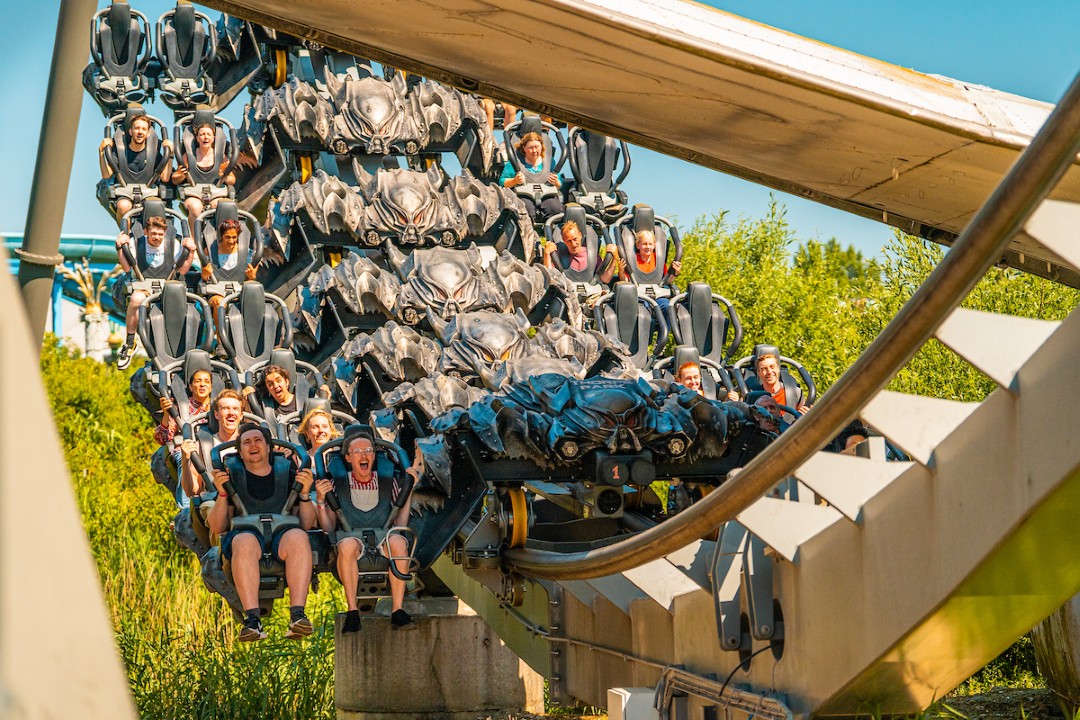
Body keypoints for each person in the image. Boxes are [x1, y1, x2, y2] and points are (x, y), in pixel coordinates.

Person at [208, 423, 316, 642]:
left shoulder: (287, 473)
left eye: (258, 440)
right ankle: (252, 620)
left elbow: (306, 523)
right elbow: (217, 526)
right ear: (240, 452)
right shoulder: (231, 475)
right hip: (246, 534)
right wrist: (222, 493)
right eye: (246, 442)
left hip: (283, 534)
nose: (253, 445)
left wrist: (305, 494)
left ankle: (298, 615)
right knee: (244, 541)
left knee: (299, 536)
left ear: (269, 447)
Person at [313, 430, 422, 633]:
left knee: (399, 542)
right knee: (346, 545)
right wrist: (320, 500)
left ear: (374, 456)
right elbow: (328, 528)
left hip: (384, 536)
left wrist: (408, 491)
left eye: (368, 450)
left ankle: (398, 609)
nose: (364, 455)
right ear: (348, 458)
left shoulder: (387, 482)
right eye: (357, 451)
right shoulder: (338, 483)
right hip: (351, 537)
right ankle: (352, 611)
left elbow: (400, 522)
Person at [114, 216, 196, 369]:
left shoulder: (172, 244)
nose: (157, 237)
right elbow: (126, 268)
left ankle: (184, 348)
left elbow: (183, 270)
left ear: (165, 233)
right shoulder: (137, 243)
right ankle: (130, 343)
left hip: (167, 289)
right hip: (144, 287)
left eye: (160, 234)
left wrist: (191, 252)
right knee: (136, 299)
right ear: (146, 232)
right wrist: (119, 248)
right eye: (153, 234)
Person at [98, 114, 173, 224]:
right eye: (137, 128)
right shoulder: (120, 152)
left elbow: (165, 178)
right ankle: (125, 233)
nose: (140, 132)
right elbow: (106, 175)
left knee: (155, 207)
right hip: (125, 191)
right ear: (131, 131)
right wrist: (101, 153)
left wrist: (170, 154)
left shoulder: (153, 153)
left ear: (148, 133)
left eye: (143, 129)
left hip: (148, 192)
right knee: (123, 206)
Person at [155, 369, 213, 507]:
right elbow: (163, 438)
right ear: (191, 387)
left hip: (212, 446)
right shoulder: (181, 408)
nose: (202, 384)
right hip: (189, 448)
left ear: (211, 387)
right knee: (188, 457)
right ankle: (186, 509)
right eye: (198, 381)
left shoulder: (220, 406)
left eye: (206, 381)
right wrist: (166, 414)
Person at [179, 388, 245, 502]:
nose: (231, 413)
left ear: (241, 415)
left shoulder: (251, 442)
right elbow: (192, 491)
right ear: (216, 414)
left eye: (235, 409)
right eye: (225, 408)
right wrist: (185, 462)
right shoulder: (203, 445)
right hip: (216, 500)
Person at [172, 121, 236, 228]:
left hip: (215, 193)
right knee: (195, 207)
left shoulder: (221, 157)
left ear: (213, 138)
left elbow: (232, 180)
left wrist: (224, 175)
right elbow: (175, 179)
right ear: (197, 138)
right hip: (194, 193)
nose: (205, 137)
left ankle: (217, 235)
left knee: (220, 206)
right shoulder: (188, 156)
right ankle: (194, 237)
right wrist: (182, 175)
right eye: (202, 134)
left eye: (208, 134)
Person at [200, 218, 259, 319]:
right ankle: (220, 330)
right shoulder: (209, 252)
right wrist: (205, 274)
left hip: (239, 292)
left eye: (234, 237)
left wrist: (251, 277)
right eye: (227, 237)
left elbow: (250, 278)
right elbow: (205, 278)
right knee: (219, 303)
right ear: (221, 236)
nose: (231, 241)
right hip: (216, 292)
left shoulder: (247, 254)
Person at [499, 131, 564, 222]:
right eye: (530, 148)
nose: (534, 151)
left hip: (546, 194)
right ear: (524, 148)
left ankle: (550, 228)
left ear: (541, 147)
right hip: (524, 195)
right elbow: (502, 182)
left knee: (554, 208)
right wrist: (515, 181)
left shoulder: (550, 162)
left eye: (537, 147)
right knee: (526, 209)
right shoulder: (515, 162)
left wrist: (556, 182)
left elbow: (560, 183)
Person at [542, 220, 618, 285]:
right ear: (564, 241)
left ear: (580, 236)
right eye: (569, 241)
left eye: (575, 239)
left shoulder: (592, 256)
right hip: (566, 293)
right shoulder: (559, 255)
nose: (573, 244)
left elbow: (605, 279)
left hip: (590, 291)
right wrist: (547, 254)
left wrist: (614, 259)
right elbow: (550, 277)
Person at [243, 365, 331, 420]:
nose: (276, 386)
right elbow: (251, 424)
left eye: (278, 381)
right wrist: (247, 402)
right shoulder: (264, 406)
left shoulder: (306, 398)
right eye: (270, 384)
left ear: (286, 382)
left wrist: (326, 400)